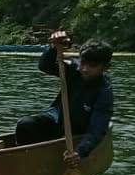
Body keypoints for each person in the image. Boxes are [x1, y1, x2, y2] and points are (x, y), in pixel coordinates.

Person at [15, 31, 113, 166]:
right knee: (25, 125)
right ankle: (26, 163)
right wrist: (54, 48)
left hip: (79, 130)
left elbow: (97, 129)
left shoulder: (104, 91)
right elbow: (45, 66)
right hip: (57, 119)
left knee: (88, 133)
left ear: (106, 67)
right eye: (83, 63)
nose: (84, 69)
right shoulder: (73, 68)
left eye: (92, 66)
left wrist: (80, 152)